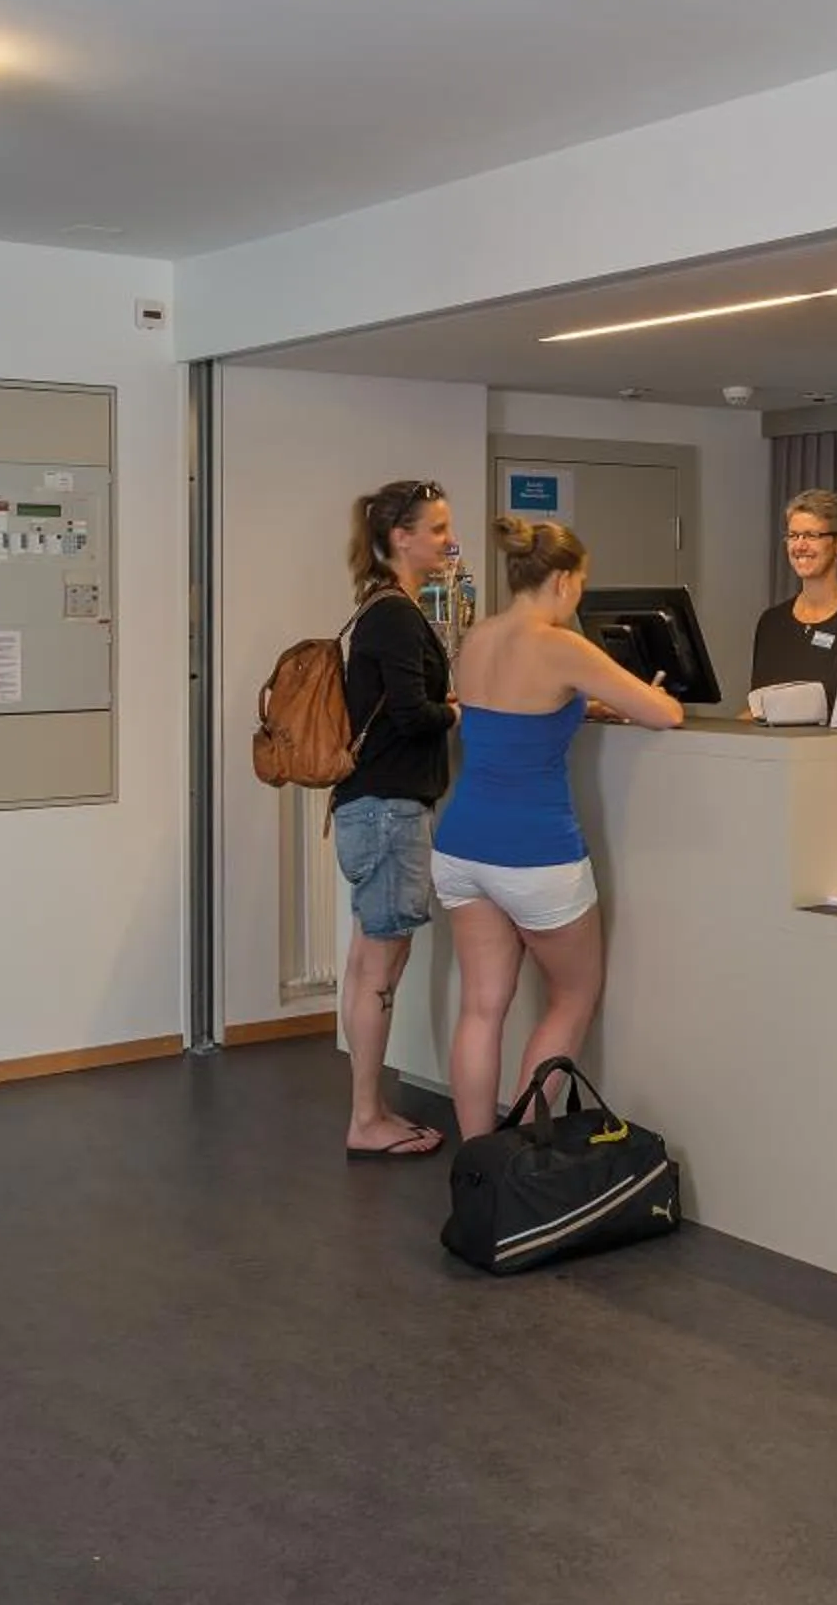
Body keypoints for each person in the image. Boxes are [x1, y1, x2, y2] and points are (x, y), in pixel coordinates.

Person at [436, 517, 684, 1140]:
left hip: (462, 846)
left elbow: (504, 716)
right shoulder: (562, 645)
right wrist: (601, 695)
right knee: (572, 999)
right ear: (566, 580)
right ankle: (524, 1154)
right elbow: (665, 712)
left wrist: (581, 703)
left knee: (481, 1007)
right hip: (535, 854)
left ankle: (478, 1165)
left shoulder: (478, 638)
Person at [334, 478, 459, 1162]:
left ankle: (371, 1107)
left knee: (366, 964)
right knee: (380, 969)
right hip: (389, 808)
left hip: (370, 806)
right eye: (436, 529)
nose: (447, 540)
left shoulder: (381, 607)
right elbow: (414, 715)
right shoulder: (397, 614)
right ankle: (366, 1118)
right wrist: (458, 710)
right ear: (400, 537)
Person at [749, 489, 837, 719]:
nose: (799, 546)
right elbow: (759, 711)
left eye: (811, 535)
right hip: (773, 754)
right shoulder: (771, 622)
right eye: (793, 535)